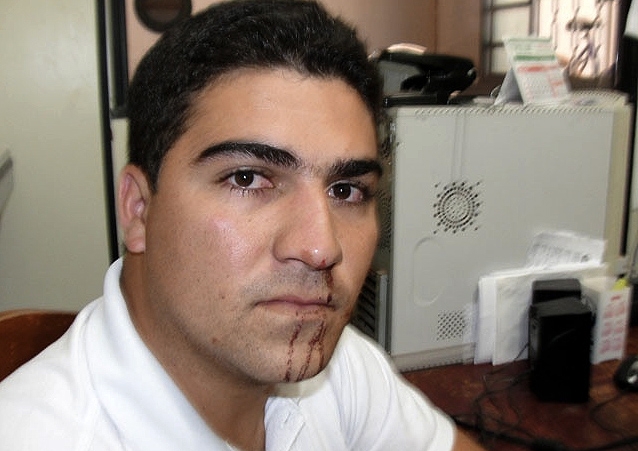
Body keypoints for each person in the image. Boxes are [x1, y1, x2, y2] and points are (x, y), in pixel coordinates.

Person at [0, 1, 484, 450]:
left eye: (346, 190)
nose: (321, 248)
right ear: (138, 209)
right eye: (247, 178)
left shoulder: (335, 367)